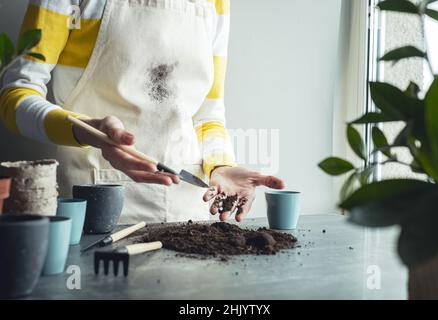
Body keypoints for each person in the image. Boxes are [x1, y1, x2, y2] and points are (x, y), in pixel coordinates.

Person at [0, 0, 285, 223]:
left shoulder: (215, 3)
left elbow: (207, 115)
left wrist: (220, 165)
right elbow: (15, 96)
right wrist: (84, 129)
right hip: (95, 206)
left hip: (188, 209)